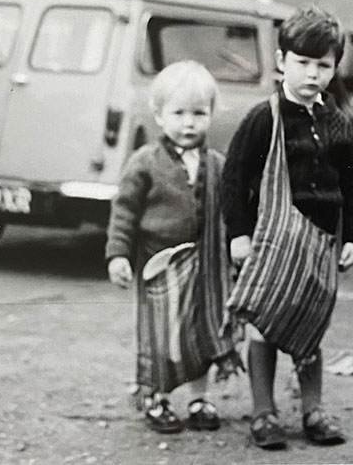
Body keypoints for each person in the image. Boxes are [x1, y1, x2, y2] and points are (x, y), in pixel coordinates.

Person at [222, 4, 353, 449]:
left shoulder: (337, 123)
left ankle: (313, 411)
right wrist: (238, 234)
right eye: (302, 63)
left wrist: (352, 238)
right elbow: (234, 178)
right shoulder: (264, 118)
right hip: (272, 241)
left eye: (323, 66)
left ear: (334, 69)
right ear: (282, 61)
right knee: (263, 325)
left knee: (310, 326)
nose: (312, 74)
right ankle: (264, 414)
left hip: (319, 245)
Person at [105, 60, 239, 434]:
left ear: (211, 114)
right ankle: (156, 397)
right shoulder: (145, 162)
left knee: (202, 331)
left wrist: (237, 253)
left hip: (206, 266)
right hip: (158, 266)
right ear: (159, 116)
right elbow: (124, 212)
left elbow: (231, 214)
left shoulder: (217, 165)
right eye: (178, 113)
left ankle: (200, 398)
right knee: (160, 335)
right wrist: (118, 254)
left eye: (199, 113)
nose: (188, 123)